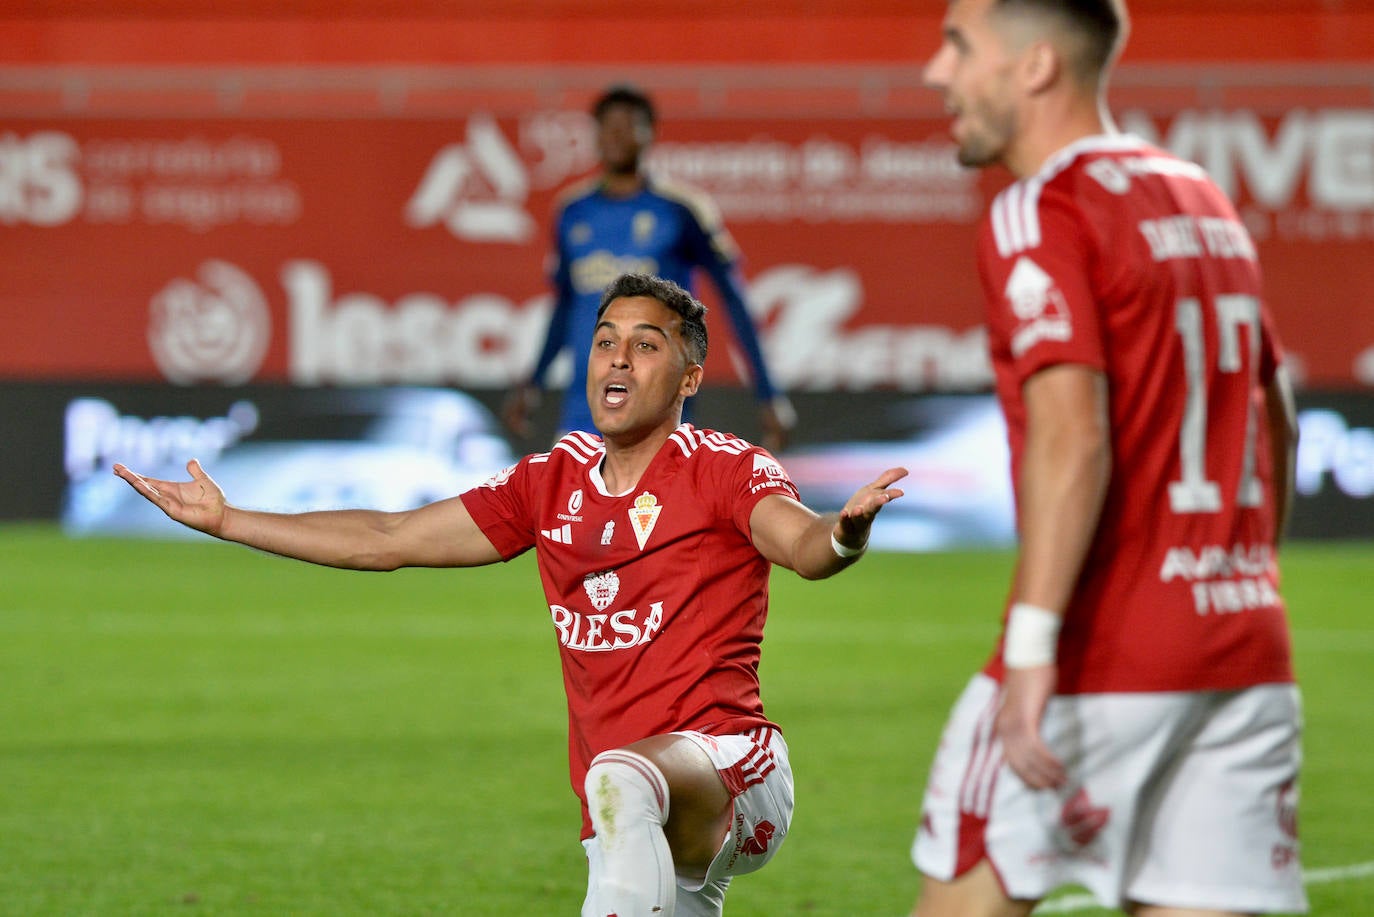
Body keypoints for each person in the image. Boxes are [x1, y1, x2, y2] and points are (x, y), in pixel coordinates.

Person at [115, 272, 906, 917]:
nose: (618, 361)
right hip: (624, 821)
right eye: (605, 344)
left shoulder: (724, 467)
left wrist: (844, 532)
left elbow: (800, 543)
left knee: (623, 776)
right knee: (619, 800)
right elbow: (388, 539)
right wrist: (229, 520)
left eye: (644, 345)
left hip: (733, 770)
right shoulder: (549, 482)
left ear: (690, 377)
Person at [910, 2, 1304, 916]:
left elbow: (1070, 431)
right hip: (1242, 651)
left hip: (1100, 655)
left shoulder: (1037, 209)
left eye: (959, 46)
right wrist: (1242, 569)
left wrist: (1033, 649)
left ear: (1035, 66)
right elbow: (1272, 406)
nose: (936, 71)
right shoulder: (1203, 195)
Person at [504, 83, 796, 452]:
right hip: (584, 411)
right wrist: (533, 384)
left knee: (651, 511)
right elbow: (565, 308)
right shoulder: (572, 211)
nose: (617, 135)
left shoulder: (681, 209)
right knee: (566, 509)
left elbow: (734, 303)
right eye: (608, 126)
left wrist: (768, 394)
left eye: (629, 125)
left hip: (660, 410)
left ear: (650, 134)